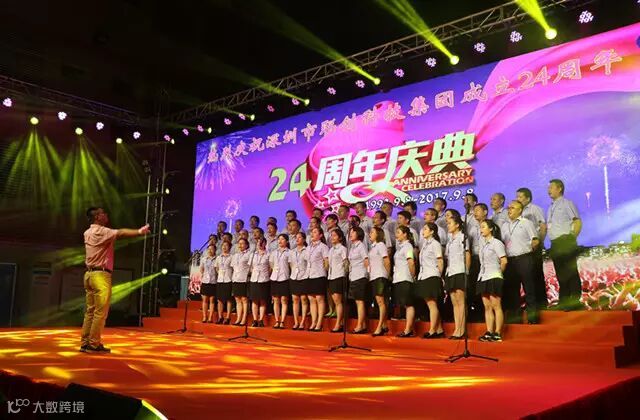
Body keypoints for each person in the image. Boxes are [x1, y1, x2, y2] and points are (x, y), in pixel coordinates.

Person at [81, 207, 150, 353]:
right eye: (103, 213)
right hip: (100, 276)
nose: (106, 214)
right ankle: (93, 344)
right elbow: (121, 232)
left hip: (89, 275)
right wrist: (139, 231)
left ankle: (85, 342)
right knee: (100, 312)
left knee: (90, 311)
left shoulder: (87, 232)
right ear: (97, 217)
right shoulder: (101, 231)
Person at [546, 179, 583, 309]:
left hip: (566, 241)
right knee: (561, 273)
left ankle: (574, 300)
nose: (548, 190)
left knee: (570, 272)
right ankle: (564, 300)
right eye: (548, 188)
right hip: (555, 243)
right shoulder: (550, 207)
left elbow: (577, 221)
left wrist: (571, 238)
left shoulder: (567, 203)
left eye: (551, 187)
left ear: (560, 188)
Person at [502, 200, 540, 324]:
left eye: (512, 208)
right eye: (508, 208)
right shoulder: (504, 225)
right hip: (510, 260)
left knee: (529, 288)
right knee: (512, 290)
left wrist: (531, 251)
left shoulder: (526, 223)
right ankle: (515, 318)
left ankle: (532, 318)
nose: (509, 210)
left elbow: (535, 240)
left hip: (524, 258)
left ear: (520, 210)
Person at [517, 187, 547, 309]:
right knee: (528, 277)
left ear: (528, 198)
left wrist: (540, 243)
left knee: (537, 275)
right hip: (524, 249)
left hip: (535, 247)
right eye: (517, 196)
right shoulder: (519, 212)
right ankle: (532, 303)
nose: (518, 199)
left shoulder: (535, 209)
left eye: (520, 197)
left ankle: (542, 304)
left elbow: (543, 226)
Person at [477, 220, 508, 342]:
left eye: (483, 227)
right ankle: (489, 331)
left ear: (490, 229)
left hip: (494, 275)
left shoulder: (496, 243)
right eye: (480, 227)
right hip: (483, 276)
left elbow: (504, 261)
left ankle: (497, 332)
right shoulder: (483, 245)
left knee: (496, 305)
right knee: (487, 306)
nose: (481, 229)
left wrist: (499, 274)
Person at [416, 222, 445, 339]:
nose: (423, 231)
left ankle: (432, 330)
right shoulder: (425, 244)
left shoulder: (435, 244)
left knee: (432, 303)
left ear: (432, 231)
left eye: (425, 229)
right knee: (430, 303)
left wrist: (439, 275)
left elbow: (440, 260)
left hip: (432, 275)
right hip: (424, 275)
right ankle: (439, 329)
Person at [445, 212, 470, 339]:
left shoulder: (462, 237)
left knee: (461, 302)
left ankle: (462, 330)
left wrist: (467, 271)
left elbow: (467, 255)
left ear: (457, 225)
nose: (448, 225)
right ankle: (457, 329)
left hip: (460, 270)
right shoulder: (450, 240)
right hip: (451, 271)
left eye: (450, 223)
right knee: (454, 302)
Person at [393, 225, 417, 337]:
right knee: (404, 304)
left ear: (405, 234)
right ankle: (407, 328)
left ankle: (408, 330)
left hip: (406, 277)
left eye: (398, 232)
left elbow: (411, 262)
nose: (396, 235)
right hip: (398, 277)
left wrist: (413, 276)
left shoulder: (408, 246)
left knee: (409, 304)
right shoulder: (400, 247)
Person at [368, 227, 391, 336]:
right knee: (379, 302)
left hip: (380, 275)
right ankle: (384, 325)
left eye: (372, 232)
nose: (370, 234)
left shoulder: (381, 245)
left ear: (378, 234)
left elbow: (386, 260)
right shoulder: (372, 247)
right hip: (373, 276)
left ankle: (379, 326)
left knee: (381, 302)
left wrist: (387, 275)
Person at [305, 227, 329, 332]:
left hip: (319, 275)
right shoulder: (308, 247)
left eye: (315, 232)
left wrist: (326, 272)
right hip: (309, 275)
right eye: (312, 232)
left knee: (319, 299)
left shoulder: (323, 247)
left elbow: (326, 261)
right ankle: (313, 322)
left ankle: (319, 323)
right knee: (311, 299)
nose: (312, 234)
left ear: (320, 235)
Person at [348, 227, 369, 334]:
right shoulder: (352, 247)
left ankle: (359, 326)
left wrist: (367, 274)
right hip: (353, 276)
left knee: (360, 301)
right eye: (350, 232)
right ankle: (363, 324)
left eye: (353, 232)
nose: (350, 234)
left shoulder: (361, 246)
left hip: (360, 276)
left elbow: (366, 260)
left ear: (359, 234)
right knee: (357, 301)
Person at [328, 228, 348, 333]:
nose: (332, 237)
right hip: (331, 276)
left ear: (340, 238)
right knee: (335, 301)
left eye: (334, 235)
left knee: (338, 301)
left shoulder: (342, 249)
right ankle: (341, 322)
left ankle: (338, 323)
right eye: (331, 235)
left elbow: (345, 262)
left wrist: (345, 274)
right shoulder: (331, 250)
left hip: (339, 275)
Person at [270, 234, 291, 329]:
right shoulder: (274, 252)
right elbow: (271, 265)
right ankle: (277, 320)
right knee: (276, 300)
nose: (280, 241)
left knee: (284, 300)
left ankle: (282, 321)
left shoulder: (289, 252)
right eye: (279, 239)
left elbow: (291, 265)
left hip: (284, 277)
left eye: (282, 239)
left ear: (286, 241)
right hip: (275, 278)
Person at [290, 232, 310, 330]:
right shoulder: (292, 251)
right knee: (295, 299)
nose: (297, 239)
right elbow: (291, 265)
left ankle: (302, 322)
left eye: (299, 237)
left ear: (304, 239)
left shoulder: (307, 250)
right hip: (294, 277)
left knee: (303, 299)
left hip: (304, 277)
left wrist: (306, 275)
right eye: (296, 238)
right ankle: (296, 321)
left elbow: (309, 264)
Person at [249, 238, 270, 327]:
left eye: (262, 242)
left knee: (262, 300)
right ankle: (255, 320)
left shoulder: (268, 254)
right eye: (258, 242)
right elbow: (250, 267)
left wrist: (266, 274)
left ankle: (261, 320)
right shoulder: (253, 255)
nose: (260, 244)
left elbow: (270, 267)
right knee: (254, 300)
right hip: (254, 279)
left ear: (265, 243)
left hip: (264, 279)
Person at [230, 238, 251, 326]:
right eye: (239, 243)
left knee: (244, 299)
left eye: (242, 243)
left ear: (246, 245)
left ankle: (244, 318)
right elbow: (233, 267)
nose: (240, 245)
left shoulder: (249, 254)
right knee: (237, 299)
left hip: (244, 279)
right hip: (235, 279)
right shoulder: (235, 255)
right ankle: (238, 318)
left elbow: (251, 267)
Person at [215, 241, 233, 324]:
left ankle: (228, 317)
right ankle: (220, 317)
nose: (224, 247)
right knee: (219, 300)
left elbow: (233, 268)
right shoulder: (218, 257)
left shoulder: (232, 257)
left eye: (226, 245)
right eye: (223, 245)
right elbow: (217, 268)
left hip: (228, 279)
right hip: (220, 280)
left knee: (228, 299)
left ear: (230, 247)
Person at [200, 244, 217, 323]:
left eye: (212, 249)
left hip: (213, 281)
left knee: (212, 300)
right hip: (205, 281)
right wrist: (203, 276)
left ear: (215, 250)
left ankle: (210, 317)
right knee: (205, 299)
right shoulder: (204, 259)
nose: (210, 251)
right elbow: (201, 269)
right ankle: (204, 316)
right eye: (209, 249)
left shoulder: (217, 259)